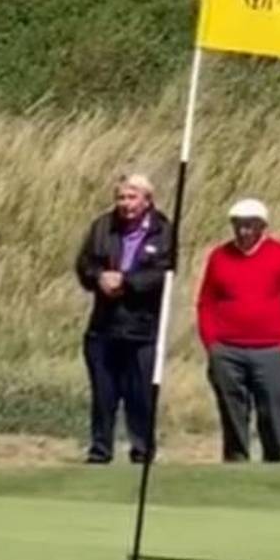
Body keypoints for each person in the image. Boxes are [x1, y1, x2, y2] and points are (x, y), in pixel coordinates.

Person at [74, 174, 174, 464]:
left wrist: (127, 282)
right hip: (104, 325)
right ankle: (100, 450)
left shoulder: (162, 231)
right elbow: (84, 264)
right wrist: (98, 277)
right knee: (103, 395)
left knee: (140, 395)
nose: (126, 204)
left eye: (132, 198)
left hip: (142, 328)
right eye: (121, 198)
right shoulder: (103, 226)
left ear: (147, 200)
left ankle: (142, 451)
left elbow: (162, 273)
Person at [197, 198, 280, 463]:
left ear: (261, 227)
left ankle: (277, 464)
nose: (244, 231)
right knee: (232, 411)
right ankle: (236, 464)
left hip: (269, 348)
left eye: (250, 226)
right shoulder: (220, 256)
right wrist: (211, 343)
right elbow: (206, 302)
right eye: (239, 225)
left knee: (271, 411)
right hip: (227, 348)